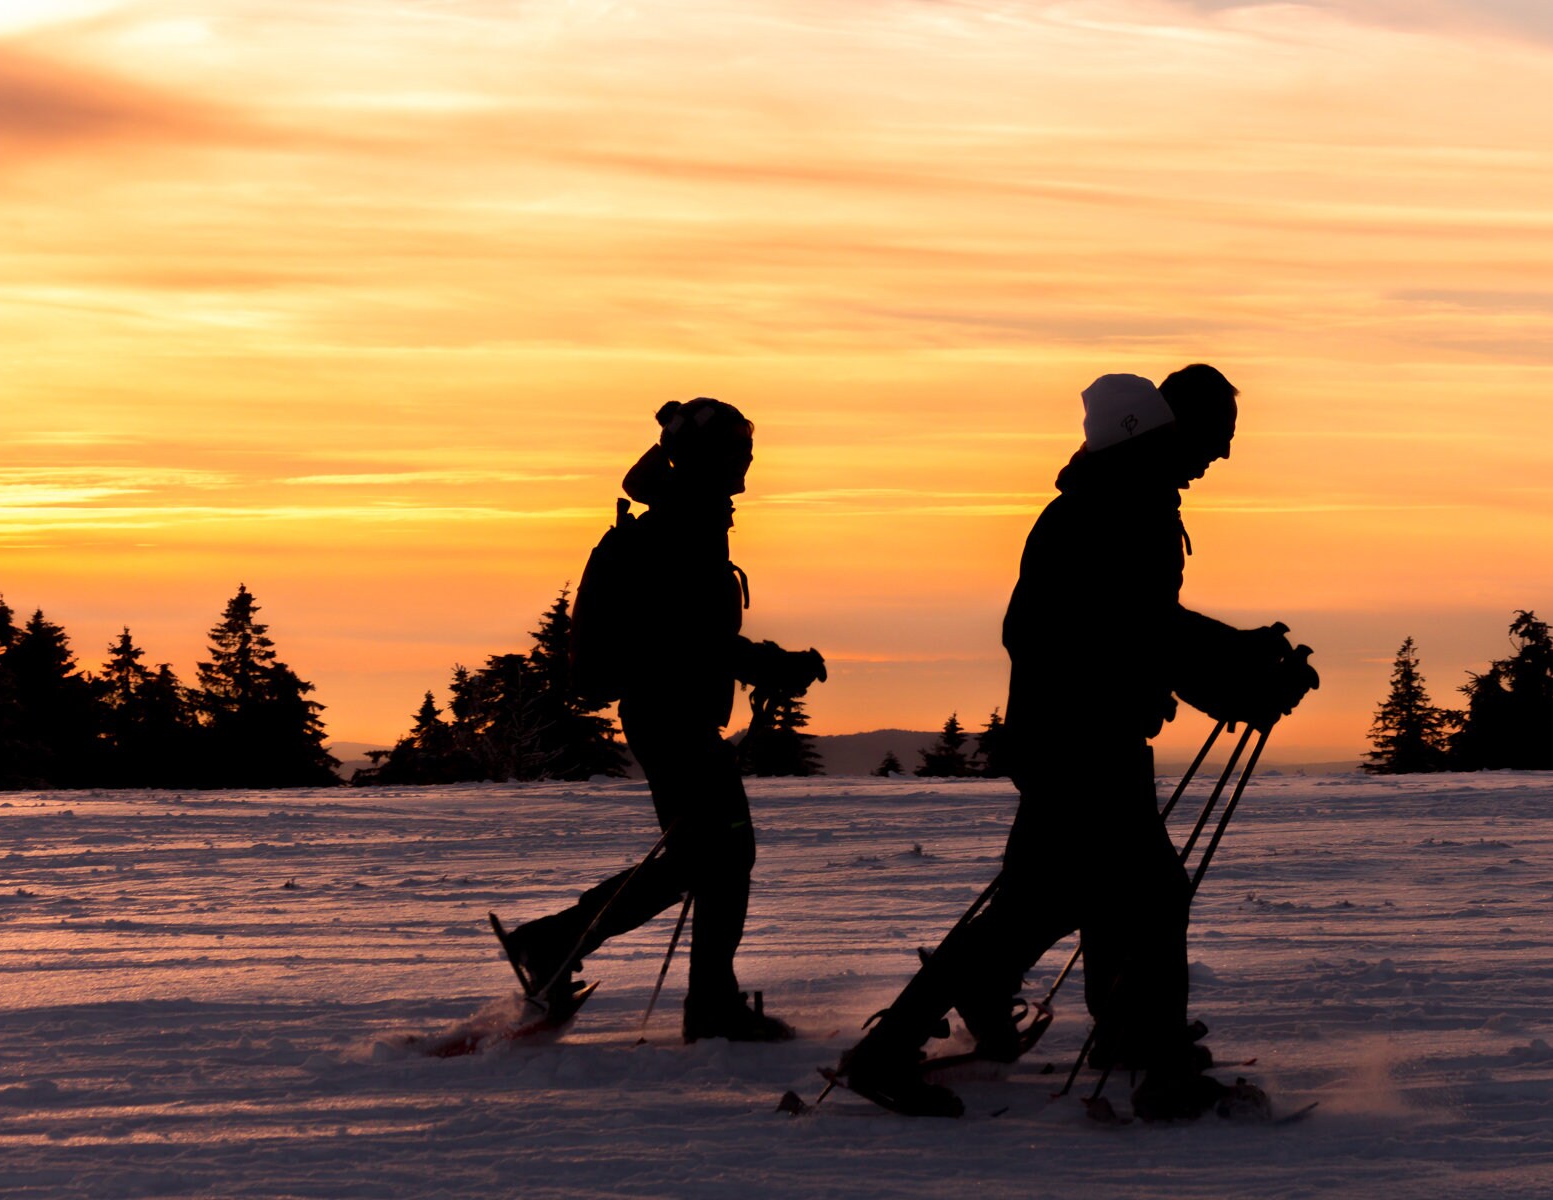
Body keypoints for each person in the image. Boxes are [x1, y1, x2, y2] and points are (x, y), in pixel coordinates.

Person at [835, 366, 1316, 1118]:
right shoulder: (1122, 506)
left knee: (1044, 901)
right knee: (1150, 892)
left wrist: (1233, 661)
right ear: (1167, 427)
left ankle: (900, 1049)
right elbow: (1136, 627)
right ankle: (1158, 1072)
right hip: (1082, 742)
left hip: (1069, 735)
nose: (1219, 455)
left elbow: (1131, 624)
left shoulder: (1110, 498)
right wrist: (1237, 674)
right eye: (1214, 437)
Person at [500, 398, 826, 1042]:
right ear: (708, 459)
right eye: (738, 451)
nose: (748, 462)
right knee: (723, 855)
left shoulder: (686, 520)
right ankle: (703, 1004)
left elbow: (691, 636)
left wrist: (763, 666)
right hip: (670, 716)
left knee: (702, 858)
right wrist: (774, 666)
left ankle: (556, 943)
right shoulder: (680, 528)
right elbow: (692, 640)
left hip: (669, 714)